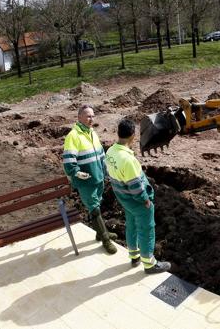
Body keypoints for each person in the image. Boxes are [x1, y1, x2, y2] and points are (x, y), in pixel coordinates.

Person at [105, 119, 171, 273]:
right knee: (146, 229)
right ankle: (149, 264)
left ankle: (134, 256)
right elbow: (135, 186)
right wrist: (145, 200)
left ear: (118, 133)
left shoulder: (110, 152)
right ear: (133, 136)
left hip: (124, 198)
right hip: (137, 201)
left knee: (131, 225)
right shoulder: (129, 160)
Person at [63, 104, 117, 254]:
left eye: (92, 116)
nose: (91, 119)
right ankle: (105, 239)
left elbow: (100, 154)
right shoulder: (73, 136)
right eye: (88, 116)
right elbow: (68, 159)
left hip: (97, 176)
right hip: (85, 181)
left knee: (97, 204)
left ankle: (100, 233)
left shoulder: (92, 133)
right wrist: (76, 172)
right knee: (94, 207)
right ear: (79, 117)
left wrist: (106, 170)